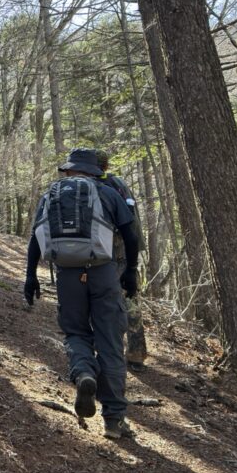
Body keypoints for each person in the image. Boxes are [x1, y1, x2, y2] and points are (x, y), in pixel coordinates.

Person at [23, 147, 139, 439]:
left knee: (75, 332)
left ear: (71, 169)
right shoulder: (108, 192)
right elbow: (130, 234)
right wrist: (131, 271)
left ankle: (84, 372)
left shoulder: (51, 194)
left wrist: (30, 277)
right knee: (110, 341)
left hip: (67, 274)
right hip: (103, 272)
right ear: (95, 171)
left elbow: (36, 238)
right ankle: (114, 420)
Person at [95, 149, 149, 370]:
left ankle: (110, 352)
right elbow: (134, 221)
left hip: (106, 254)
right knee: (131, 301)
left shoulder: (95, 187)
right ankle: (136, 355)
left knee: (107, 303)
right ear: (106, 166)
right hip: (128, 251)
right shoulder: (119, 184)